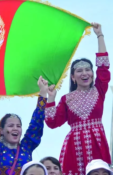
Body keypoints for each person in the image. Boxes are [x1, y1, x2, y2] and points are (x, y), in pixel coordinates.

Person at [45, 23, 110, 175]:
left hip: (97, 143)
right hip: (74, 146)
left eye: (88, 69)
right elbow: (52, 122)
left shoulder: (99, 90)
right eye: (79, 71)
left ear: (92, 74)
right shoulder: (66, 99)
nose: (84, 73)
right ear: (73, 77)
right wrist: (51, 98)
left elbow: (103, 67)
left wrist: (99, 36)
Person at [0, 76, 48, 175]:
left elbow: (36, 122)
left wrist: (43, 92)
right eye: (11, 125)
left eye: (18, 126)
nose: (15, 128)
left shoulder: (26, 146)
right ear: (2, 130)